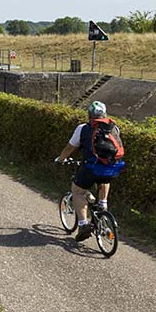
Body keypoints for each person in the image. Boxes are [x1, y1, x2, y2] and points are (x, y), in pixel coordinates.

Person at [55, 101, 125, 242]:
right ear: (104, 114)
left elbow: (70, 148)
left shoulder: (83, 128)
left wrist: (61, 159)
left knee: (78, 191)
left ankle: (83, 225)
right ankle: (103, 204)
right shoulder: (113, 127)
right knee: (105, 179)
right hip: (112, 167)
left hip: (91, 167)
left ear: (89, 115)